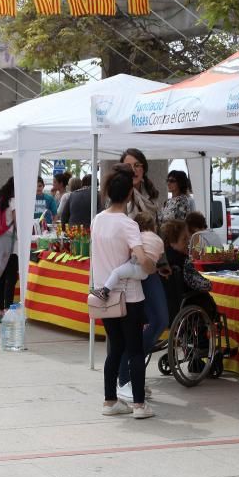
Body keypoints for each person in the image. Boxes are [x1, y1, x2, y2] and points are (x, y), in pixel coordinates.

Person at [92, 164, 157, 419]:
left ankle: (110, 401)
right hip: (130, 297)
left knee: (114, 349)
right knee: (135, 351)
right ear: (130, 193)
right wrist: (151, 265)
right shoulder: (128, 224)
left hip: (105, 297)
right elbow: (142, 258)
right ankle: (139, 405)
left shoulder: (98, 220)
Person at [161, 218, 218, 323]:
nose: (188, 242)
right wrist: (210, 283)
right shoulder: (182, 261)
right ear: (173, 241)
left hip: (166, 309)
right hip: (188, 307)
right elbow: (203, 285)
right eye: (184, 239)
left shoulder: (162, 260)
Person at [0, 177, 19, 323]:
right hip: (11, 245)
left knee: (0, 277)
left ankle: (0, 311)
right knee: (11, 278)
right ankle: (8, 310)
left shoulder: (1, 199)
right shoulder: (13, 202)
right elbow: (17, 223)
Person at [119, 148, 159, 220]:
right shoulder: (117, 194)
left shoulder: (150, 191)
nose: (133, 170)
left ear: (144, 168)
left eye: (137, 165)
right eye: (128, 166)